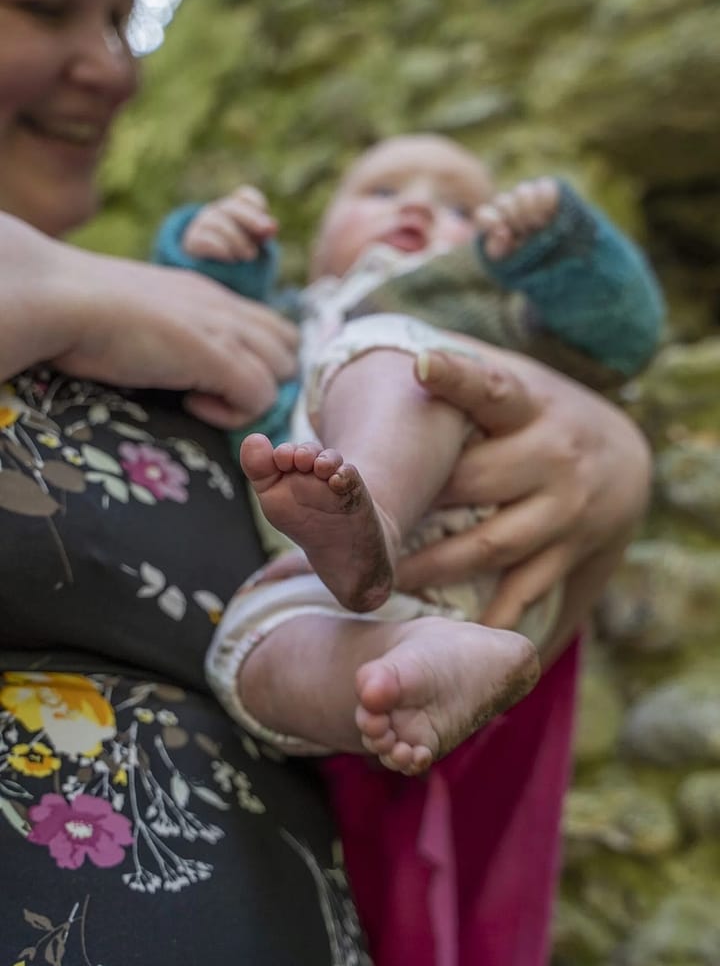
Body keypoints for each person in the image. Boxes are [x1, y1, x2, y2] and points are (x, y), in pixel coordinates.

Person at [0, 0, 653, 966]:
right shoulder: (143, 310)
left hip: (355, 618)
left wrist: (610, 453)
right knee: (274, 648)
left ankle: (386, 575)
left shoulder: (202, 337)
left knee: (349, 649)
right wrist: (53, 286)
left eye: (124, 22)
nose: (118, 66)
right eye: (46, 5)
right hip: (298, 618)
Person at [154, 134, 662, 774]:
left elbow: (625, 339)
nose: (417, 208)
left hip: (494, 529)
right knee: (246, 648)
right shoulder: (294, 322)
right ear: (315, 246)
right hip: (353, 591)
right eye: (384, 192)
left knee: (394, 351)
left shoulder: (494, 309)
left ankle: (377, 516)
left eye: (459, 210)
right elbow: (201, 337)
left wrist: (559, 248)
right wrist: (214, 259)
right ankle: (416, 664)